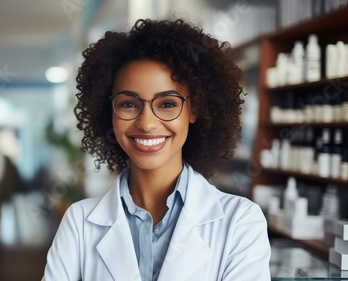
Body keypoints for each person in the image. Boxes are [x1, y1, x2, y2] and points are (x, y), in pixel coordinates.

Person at [43, 18, 271, 281]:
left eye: (167, 104)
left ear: (194, 109)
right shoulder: (79, 223)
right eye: (128, 104)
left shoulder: (240, 222)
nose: (147, 123)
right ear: (110, 113)